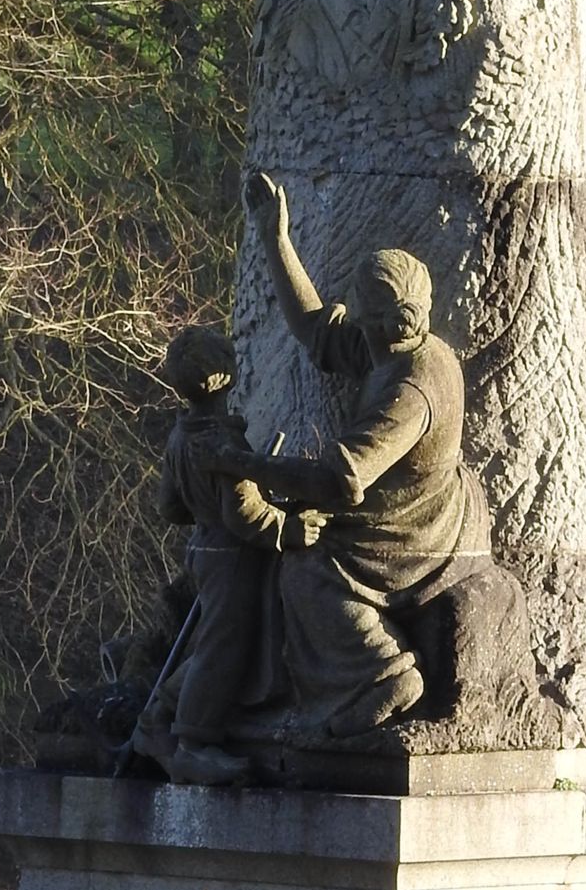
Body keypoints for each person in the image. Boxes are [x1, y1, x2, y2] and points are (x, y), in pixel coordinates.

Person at [219, 172, 491, 737]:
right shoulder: (390, 347)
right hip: (400, 505)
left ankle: (381, 673)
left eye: (357, 313)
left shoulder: (411, 390)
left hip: (412, 531)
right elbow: (315, 329)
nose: (352, 323)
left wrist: (249, 467)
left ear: (379, 321)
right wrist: (275, 238)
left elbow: (341, 480)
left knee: (307, 567)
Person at [127, 325, 310, 784]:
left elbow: (170, 507)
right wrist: (288, 529)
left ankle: (159, 714)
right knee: (221, 648)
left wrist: (203, 506)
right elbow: (244, 516)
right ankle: (193, 741)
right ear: (227, 376)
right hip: (232, 557)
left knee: (215, 641)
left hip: (204, 550)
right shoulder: (222, 443)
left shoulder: (180, 436)